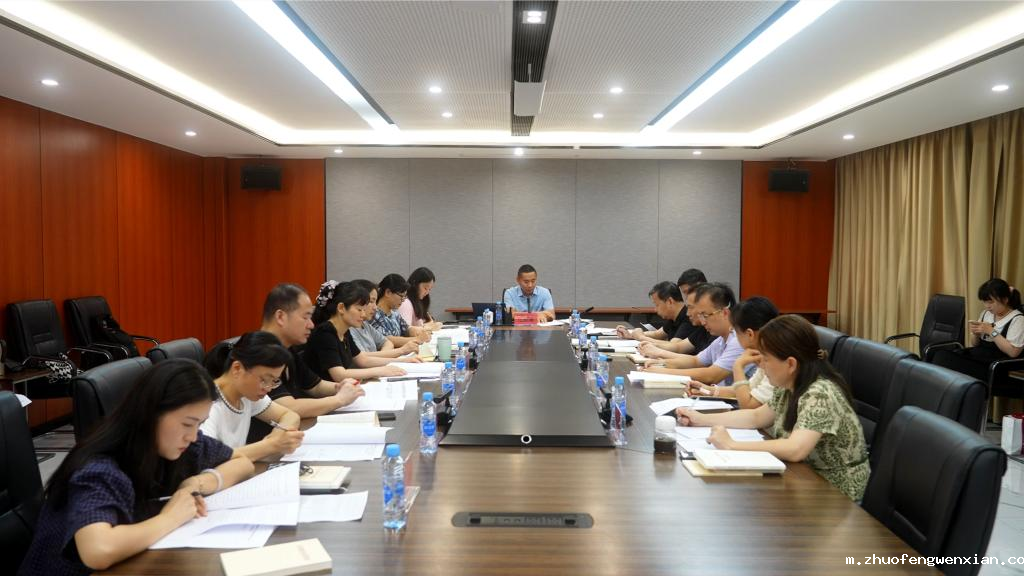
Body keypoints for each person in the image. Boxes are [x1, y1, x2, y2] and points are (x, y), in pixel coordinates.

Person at [19, 360, 255, 575]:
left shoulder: (181, 446)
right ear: (151, 413)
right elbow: (98, 550)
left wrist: (194, 484)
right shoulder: (100, 468)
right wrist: (171, 517)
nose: (193, 436)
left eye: (199, 424)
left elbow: (242, 463)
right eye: (187, 424)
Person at [676, 315, 869, 501]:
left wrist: (732, 445)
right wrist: (700, 418)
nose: (761, 365)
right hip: (803, 480)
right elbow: (756, 417)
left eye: (766, 359)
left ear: (791, 364)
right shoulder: (789, 385)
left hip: (835, 494)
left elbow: (795, 449)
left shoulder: (820, 392)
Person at [257, 283, 365, 420]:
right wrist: (339, 400)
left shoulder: (285, 348)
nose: (311, 324)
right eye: (305, 317)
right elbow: (288, 407)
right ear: (280, 317)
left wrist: (339, 387)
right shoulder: (260, 353)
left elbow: (315, 386)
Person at [202, 331, 305, 461]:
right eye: (264, 380)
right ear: (237, 368)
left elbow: (290, 415)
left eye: (274, 381)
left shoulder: (245, 395)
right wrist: (271, 445)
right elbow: (207, 456)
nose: (268, 388)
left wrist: (277, 436)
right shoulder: (207, 405)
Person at [642, 282, 746, 385]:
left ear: (725, 313)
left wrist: (664, 372)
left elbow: (712, 375)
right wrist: (662, 363)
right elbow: (695, 360)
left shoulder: (738, 340)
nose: (703, 322)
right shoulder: (721, 340)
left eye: (705, 315)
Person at [306, 281, 409, 381]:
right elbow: (339, 375)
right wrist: (379, 371)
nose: (363, 315)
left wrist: (403, 361)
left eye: (364, 310)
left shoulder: (344, 331)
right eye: (359, 310)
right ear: (341, 308)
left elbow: (363, 360)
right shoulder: (325, 333)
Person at [689, 296, 779, 409]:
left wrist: (738, 366)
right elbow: (748, 388)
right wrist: (709, 390)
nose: (734, 336)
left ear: (750, 334)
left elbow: (748, 405)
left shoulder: (776, 361)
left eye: (736, 332)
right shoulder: (764, 355)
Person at [932, 278, 1024, 382]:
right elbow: (975, 344)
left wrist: (991, 331)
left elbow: (1013, 353)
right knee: (936, 354)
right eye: (985, 302)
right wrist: (976, 334)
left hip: (995, 366)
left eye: (991, 302)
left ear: (1005, 299)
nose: (987, 306)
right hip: (979, 357)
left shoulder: (1018, 319)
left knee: (943, 359)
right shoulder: (986, 314)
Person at [349, 279, 420, 358]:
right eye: (371, 301)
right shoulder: (351, 328)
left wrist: (414, 330)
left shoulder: (365, 324)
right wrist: (403, 350)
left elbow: (387, 342)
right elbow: (362, 358)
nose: (375, 307)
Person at [369, 273, 432, 348]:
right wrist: (417, 339)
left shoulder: (395, 313)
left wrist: (417, 331)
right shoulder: (374, 314)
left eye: (404, 297)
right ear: (388, 292)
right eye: (401, 296)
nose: (403, 300)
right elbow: (386, 339)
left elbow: (406, 329)